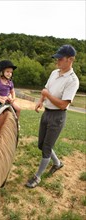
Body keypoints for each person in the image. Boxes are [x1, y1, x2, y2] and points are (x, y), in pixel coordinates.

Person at [25, 45, 79, 188]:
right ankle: (57, 163)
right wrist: (41, 101)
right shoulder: (55, 72)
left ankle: (37, 177)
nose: (57, 61)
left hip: (58, 116)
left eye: (60, 59)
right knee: (41, 145)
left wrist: (47, 95)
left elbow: (63, 105)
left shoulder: (73, 81)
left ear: (70, 59)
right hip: (47, 112)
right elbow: (46, 90)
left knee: (47, 147)